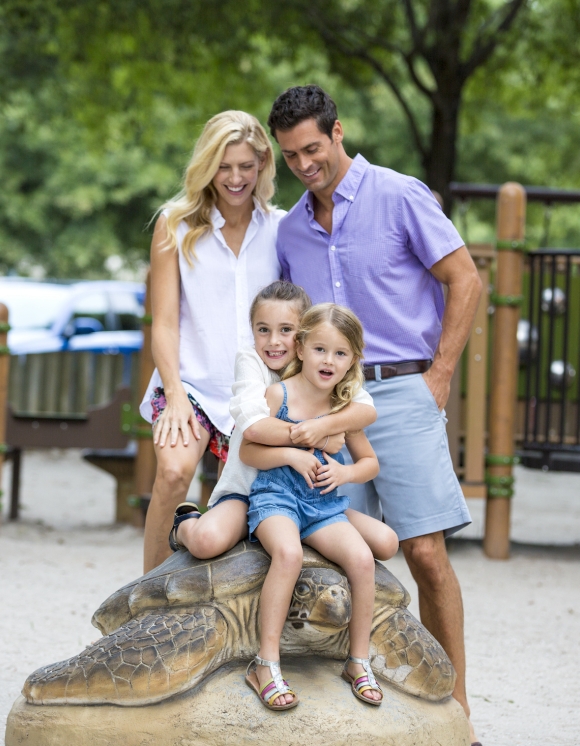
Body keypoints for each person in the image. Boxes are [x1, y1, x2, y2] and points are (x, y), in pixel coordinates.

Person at [267, 85, 483, 743]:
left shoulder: (400, 194)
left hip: (399, 391)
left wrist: (438, 377)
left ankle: (458, 711)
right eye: (291, 156)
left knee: (423, 551)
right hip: (326, 402)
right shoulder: (291, 229)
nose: (305, 165)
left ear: (338, 132)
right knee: (333, 552)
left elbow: (465, 279)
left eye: (312, 149)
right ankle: (349, 717)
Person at [140, 110, 284, 573]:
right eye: (224, 166)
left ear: (263, 163)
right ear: (207, 165)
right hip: (192, 386)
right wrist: (176, 396)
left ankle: (206, 608)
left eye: (246, 165)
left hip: (254, 394)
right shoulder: (174, 224)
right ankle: (145, 598)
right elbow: (162, 322)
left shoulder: (282, 228)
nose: (236, 177)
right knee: (175, 470)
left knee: (230, 505)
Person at [170, 280, 397, 563]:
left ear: (303, 336)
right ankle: (185, 525)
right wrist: (321, 437)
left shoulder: (321, 365)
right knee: (206, 542)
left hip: (306, 498)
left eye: (286, 331)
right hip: (248, 492)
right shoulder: (253, 362)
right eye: (263, 330)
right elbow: (255, 427)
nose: (274, 341)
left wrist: (325, 426)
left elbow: (365, 409)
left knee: (383, 542)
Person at [241, 303, 398, 710]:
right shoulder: (279, 394)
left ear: (353, 361)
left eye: (340, 353)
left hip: (322, 505)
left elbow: (369, 463)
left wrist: (345, 476)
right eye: (320, 350)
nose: (329, 361)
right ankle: (266, 663)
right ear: (300, 349)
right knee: (288, 554)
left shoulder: (344, 409)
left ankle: (358, 661)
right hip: (276, 496)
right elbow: (249, 451)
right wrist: (292, 454)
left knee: (362, 560)